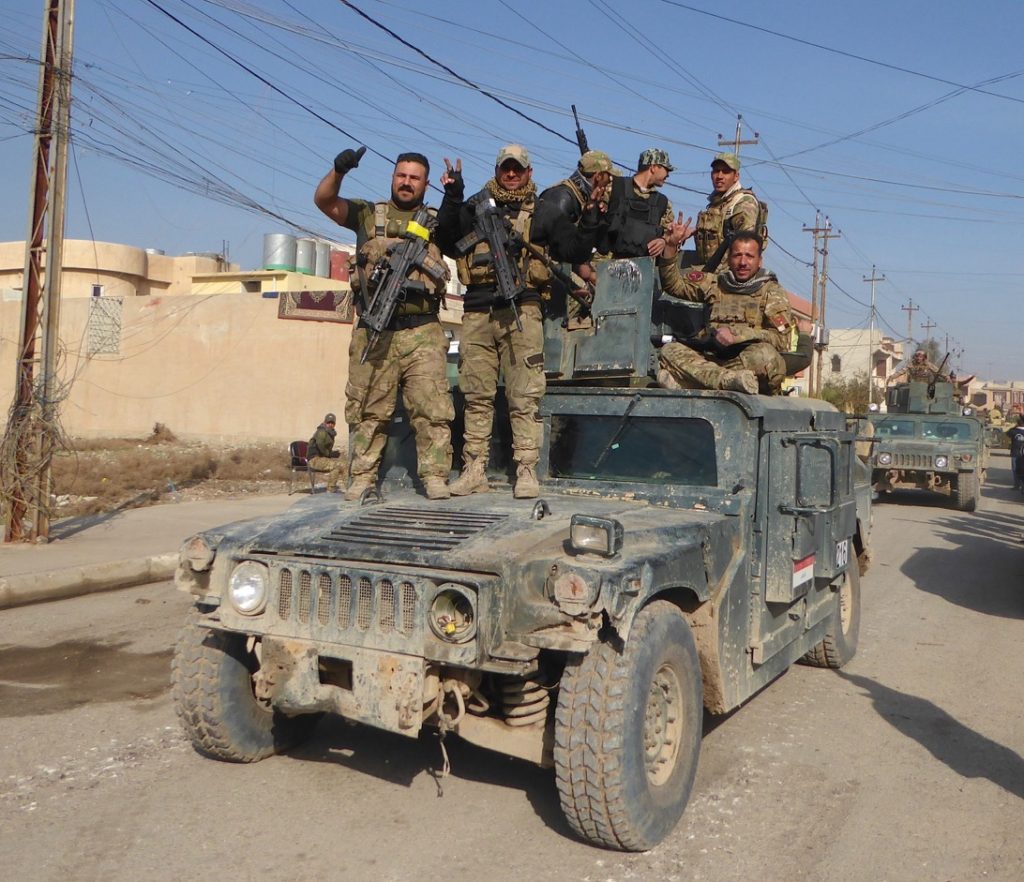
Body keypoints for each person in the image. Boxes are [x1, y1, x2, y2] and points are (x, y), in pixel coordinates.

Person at [436, 144, 594, 499]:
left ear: (528, 173)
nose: (511, 175)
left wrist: (593, 219)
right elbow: (446, 238)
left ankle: (526, 469)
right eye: (506, 168)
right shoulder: (474, 207)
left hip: (522, 309)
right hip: (477, 311)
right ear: (496, 170)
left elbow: (573, 249)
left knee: (525, 395)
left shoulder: (544, 212)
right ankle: (474, 467)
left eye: (517, 169)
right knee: (476, 394)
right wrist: (453, 195)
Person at [313, 147, 454, 501]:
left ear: (425, 183)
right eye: (401, 175)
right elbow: (324, 201)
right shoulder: (365, 214)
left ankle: (435, 477)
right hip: (375, 326)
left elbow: (462, 226)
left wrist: (455, 194)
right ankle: (361, 477)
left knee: (432, 409)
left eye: (414, 178)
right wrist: (338, 170)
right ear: (393, 177)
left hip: (422, 330)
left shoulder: (436, 220)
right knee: (367, 409)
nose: (406, 183)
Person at [656, 226, 793, 395]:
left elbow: (781, 341)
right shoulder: (715, 284)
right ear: (728, 259)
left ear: (760, 261)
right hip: (710, 361)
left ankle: (693, 383)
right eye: (737, 255)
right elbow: (674, 285)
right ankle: (728, 381)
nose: (743, 262)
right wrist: (670, 246)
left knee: (767, 356)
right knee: (669, 350)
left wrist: (738, 335)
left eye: (749, 256)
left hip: (744, 363)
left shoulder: (771, 291)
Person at [683, 152, 762, 271]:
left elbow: (744, 248)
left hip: (729, 276)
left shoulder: (743, 203)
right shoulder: (717, 203)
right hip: (710, 273)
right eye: (716, 171)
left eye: (726, 171)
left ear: (736, 176)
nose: (719, 176)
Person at [598, 147, 675, 259]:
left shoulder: (663, 203)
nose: (668, 175)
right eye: (666, 169)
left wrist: (663, 241)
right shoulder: (614, 187)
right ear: (653, 167)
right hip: (605, 265)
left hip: (641, 270)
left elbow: (668, 236)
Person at [307, 412, 343, 492]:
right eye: (328, 422)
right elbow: (320, 445)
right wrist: (330, 454)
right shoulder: (322, 431)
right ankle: (330, 489)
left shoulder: (330, 433)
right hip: (314, 459)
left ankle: (350, 488)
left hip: (321, 459)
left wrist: (333, 453)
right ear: (325, 422)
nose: (330, 424)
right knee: (335, 466)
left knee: (343, 465)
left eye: (332, 423)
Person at [1006, 414, 1024, 491]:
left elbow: (1007, 433)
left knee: (1015, 469)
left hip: (1015, 453)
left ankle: (1017, 485)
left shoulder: (1013, 431)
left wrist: (1014, 427)